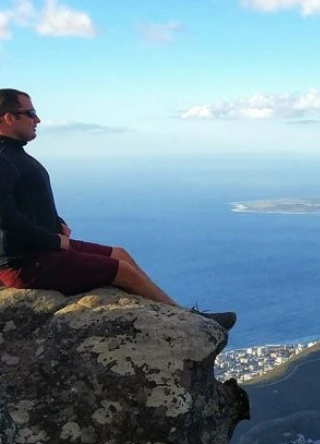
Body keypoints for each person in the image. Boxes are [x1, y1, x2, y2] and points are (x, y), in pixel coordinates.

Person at [0, 88, 235, 331]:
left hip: (42, 250)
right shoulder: (3, 158)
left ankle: (178, 312)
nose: (37, 120)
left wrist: (56, 222)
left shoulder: (13, 155)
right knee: (122, 271)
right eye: (31, 113)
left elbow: (25, 201)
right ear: (9, 117)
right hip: (25, 264)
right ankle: (190, 323)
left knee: (120, 254)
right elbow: (5, 218)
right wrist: (52, 239)